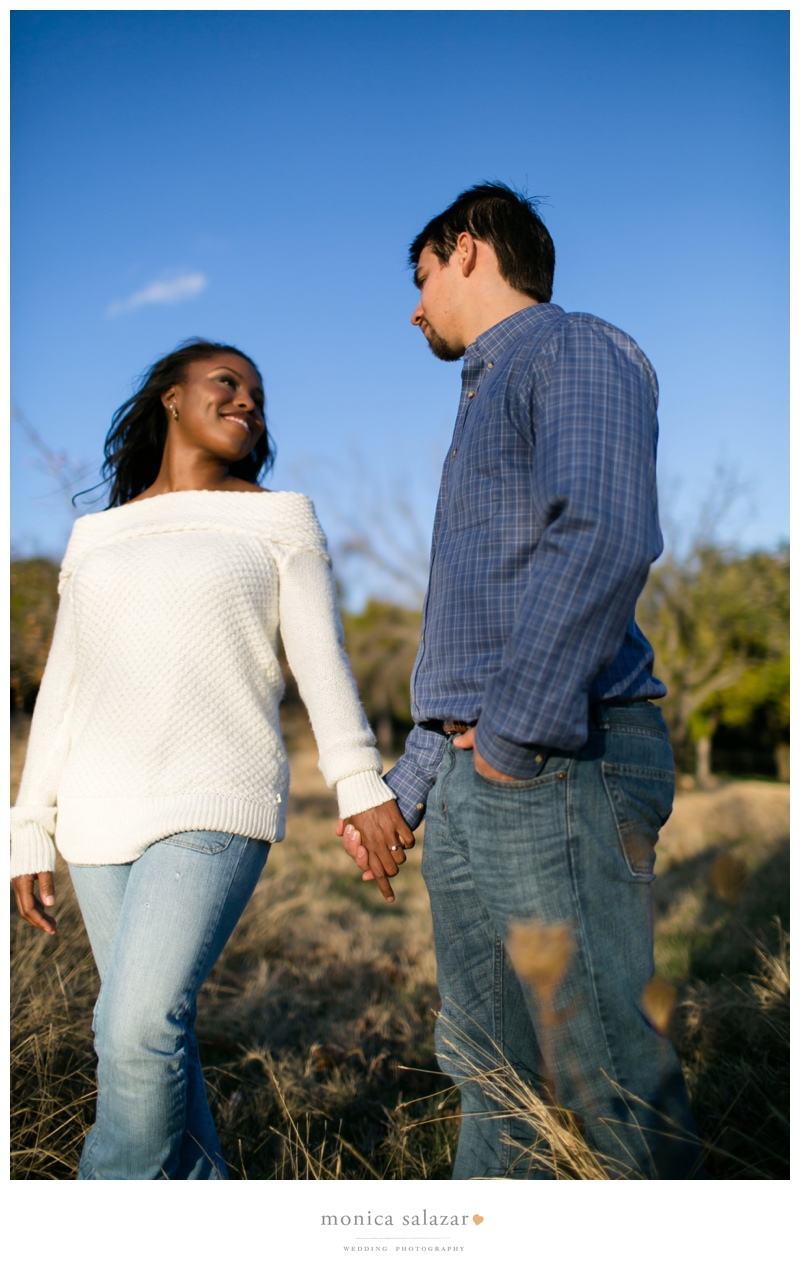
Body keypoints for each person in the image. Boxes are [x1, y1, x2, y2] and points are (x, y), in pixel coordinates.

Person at [340, 184, 704, 1179]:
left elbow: (605, 534)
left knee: (603, 1074)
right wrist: (413, 788)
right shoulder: (486, 395)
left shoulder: (572, 348)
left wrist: (507, 742)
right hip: (488, 773)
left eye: (418, 278)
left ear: (465, 249)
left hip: (556, 758)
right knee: (488, 1072)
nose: (413, 309)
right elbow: (470, 638)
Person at [11, 338, 413, 1180]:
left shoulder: (277, 517)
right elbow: (65, 691)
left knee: (136, 1027)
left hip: (216, 798)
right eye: (227, 384)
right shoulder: (97, 537)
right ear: (170, 398)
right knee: (147, 1033)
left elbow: (320, 657)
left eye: (258, 395)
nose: (247, 403)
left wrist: (356, 780)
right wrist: (29, 826)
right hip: (96, 813)